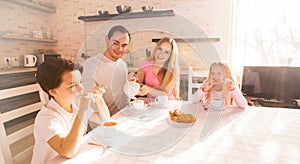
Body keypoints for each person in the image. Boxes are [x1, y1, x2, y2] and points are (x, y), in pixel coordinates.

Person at [31, 58, 107, 163]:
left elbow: (104, 119)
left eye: (80, 82)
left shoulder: (75, 104)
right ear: (53, 92)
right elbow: (68, 152)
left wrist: (98, 98)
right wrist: (83, 110)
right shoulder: (47, 118)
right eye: (73, 86)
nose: (81, 88)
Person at [82, 25, 131, 116]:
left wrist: (129, 112)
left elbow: (124, 97)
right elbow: (90, 102)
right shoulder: (90, 65)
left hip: (122, 117)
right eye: (116, 43)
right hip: (102, 122)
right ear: (107, 40)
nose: (119, 49)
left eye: (124, 45)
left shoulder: (122, 65)